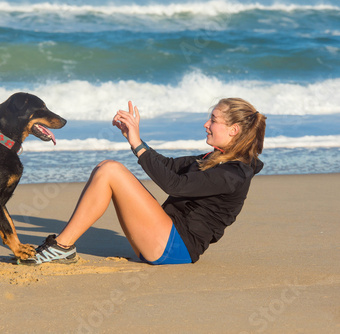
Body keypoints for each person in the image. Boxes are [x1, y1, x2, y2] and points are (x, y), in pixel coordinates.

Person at [19, 98, 266, 265]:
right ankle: (63, 246)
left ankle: (61, 247)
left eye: (213, 120)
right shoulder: (214, 158)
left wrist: (138, 145)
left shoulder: (235, 173)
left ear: (233, 130)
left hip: (175, 249)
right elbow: (169, 166)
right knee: (104, 167)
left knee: (111, 170)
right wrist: (135, 140)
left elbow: (174, 186)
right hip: (164, 238)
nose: (206, 124)